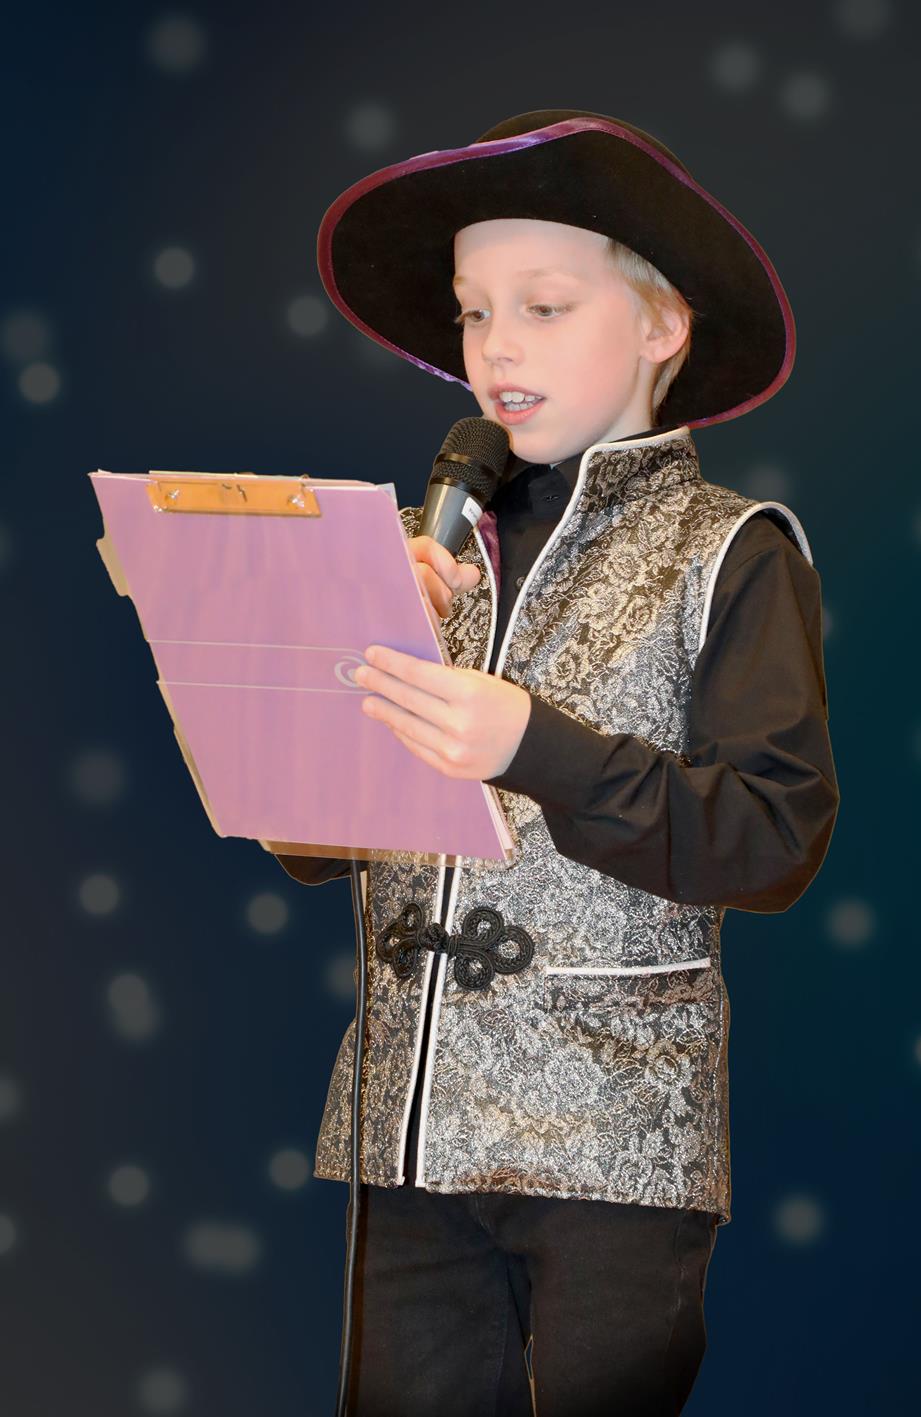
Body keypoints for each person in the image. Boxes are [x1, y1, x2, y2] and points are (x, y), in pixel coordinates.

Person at [274, 110, 839, 1415]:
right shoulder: (421, 555)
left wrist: (535, 746)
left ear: (661, 326)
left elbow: (771, 838)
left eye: (543, 304)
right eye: (474, 313)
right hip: (407, 1135)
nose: (496, 346)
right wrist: (332, 674)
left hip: (616, 1147)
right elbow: (304, 841)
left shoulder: (730, 550)